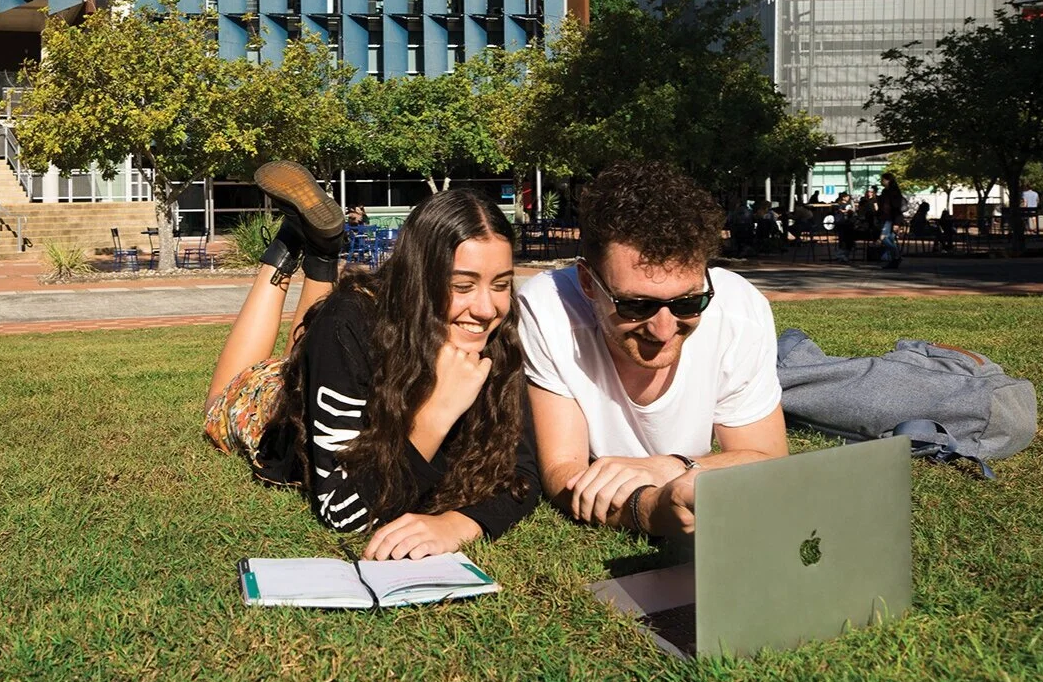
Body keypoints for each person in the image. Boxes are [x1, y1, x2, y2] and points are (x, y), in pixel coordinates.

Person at [204, 162, 540, 560]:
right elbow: (343, 511)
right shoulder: (349, 325)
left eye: (500, 284)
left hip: (330, 363)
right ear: (420, 279)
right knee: (225, 399)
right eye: (461, 286)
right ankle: (287, 248)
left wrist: (458, 524)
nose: (487, 309)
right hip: (275, 403)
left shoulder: (497, 332)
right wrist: (434, 417)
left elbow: (523, 470)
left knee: (313, 345)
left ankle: (321, 253)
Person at [517, 161, 787, 537]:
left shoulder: (738, 309)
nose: (663, 329)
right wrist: (648, 509)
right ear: (588, 283)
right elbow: (565, 472)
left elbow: (769, 461)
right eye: (636, 305)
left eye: (688, 303)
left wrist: (671, 467)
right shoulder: (548, 308)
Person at [878, 173, 905, 270]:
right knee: (889, 239)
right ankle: (894, 259)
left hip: (891, 219)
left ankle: (896, 257)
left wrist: (897, 223)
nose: (881, 181)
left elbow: (896, 208)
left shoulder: (892, 192)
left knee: (884, 238)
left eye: (882, 179)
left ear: (888, 180)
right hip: (888, 218)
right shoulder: (886, 191)